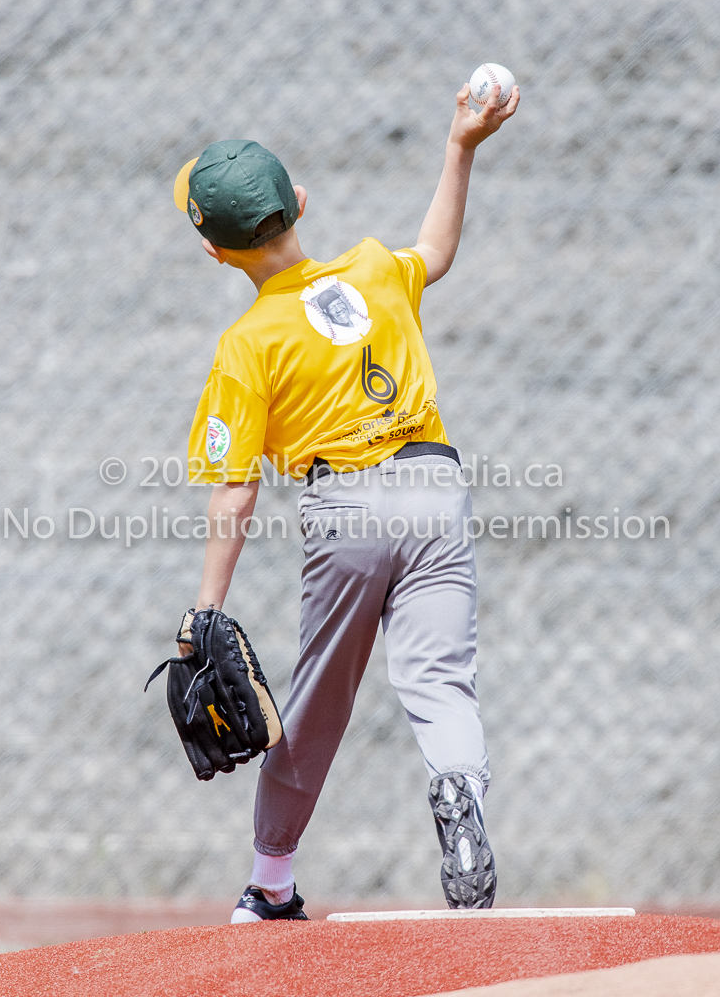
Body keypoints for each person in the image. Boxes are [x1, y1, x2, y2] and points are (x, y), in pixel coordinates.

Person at [172, 80, 519, 922]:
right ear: (300, 201)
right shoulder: (372, 269)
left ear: (215, 254)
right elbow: (432, 253)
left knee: (317, 698)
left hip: (347, 511)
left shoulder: (246, 344)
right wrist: (460, 145)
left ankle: (272, 882)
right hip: (436, 489)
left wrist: (205, 609)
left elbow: (237, 485)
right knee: (441, 681)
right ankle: (459, 795)